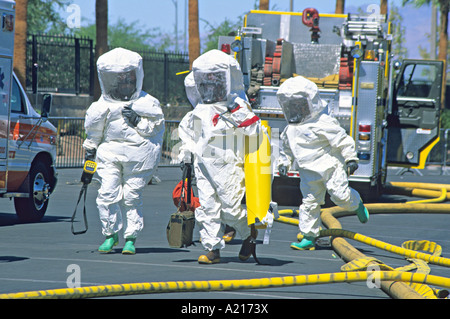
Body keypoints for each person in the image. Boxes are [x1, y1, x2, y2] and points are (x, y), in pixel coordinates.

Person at [178, 49, 261, 264]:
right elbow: (189, 134)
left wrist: (237, 113)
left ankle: (249, 234)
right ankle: (212, 249)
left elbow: (255, 133)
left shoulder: (238, 105)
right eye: (206, 81)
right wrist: (186, 154)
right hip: (203, 165)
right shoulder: (200, 109)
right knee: (207, 209)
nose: (210, 86)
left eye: (214, 80)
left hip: (229, 166)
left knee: (232, 210)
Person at [83, 47, 165, 255]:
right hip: (110, 153)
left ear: (135, 78)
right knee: (106, 194)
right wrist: (90, 151)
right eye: (118, 80)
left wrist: (138, 121)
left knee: (131, 196)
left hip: (137, 155)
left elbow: (155, 130)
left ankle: (130, 238)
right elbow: (94, 132)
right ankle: (110, 235)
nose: (124, 84)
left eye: (128, 80)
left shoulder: (147, 103)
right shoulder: (102, 106)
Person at [276, 76, 369, 251]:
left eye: (298, 104)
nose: (295, 109)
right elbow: (286, 149)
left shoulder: (323, 122)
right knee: (310, 203)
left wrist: (350, 158)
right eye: (292, 105)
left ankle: (356, 203)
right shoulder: (291, 128)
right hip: (308, 172)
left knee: (340, 196)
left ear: (309, 103)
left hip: (330, 167)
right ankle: (309, 237)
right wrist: (284, 163)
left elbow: (342, 139)